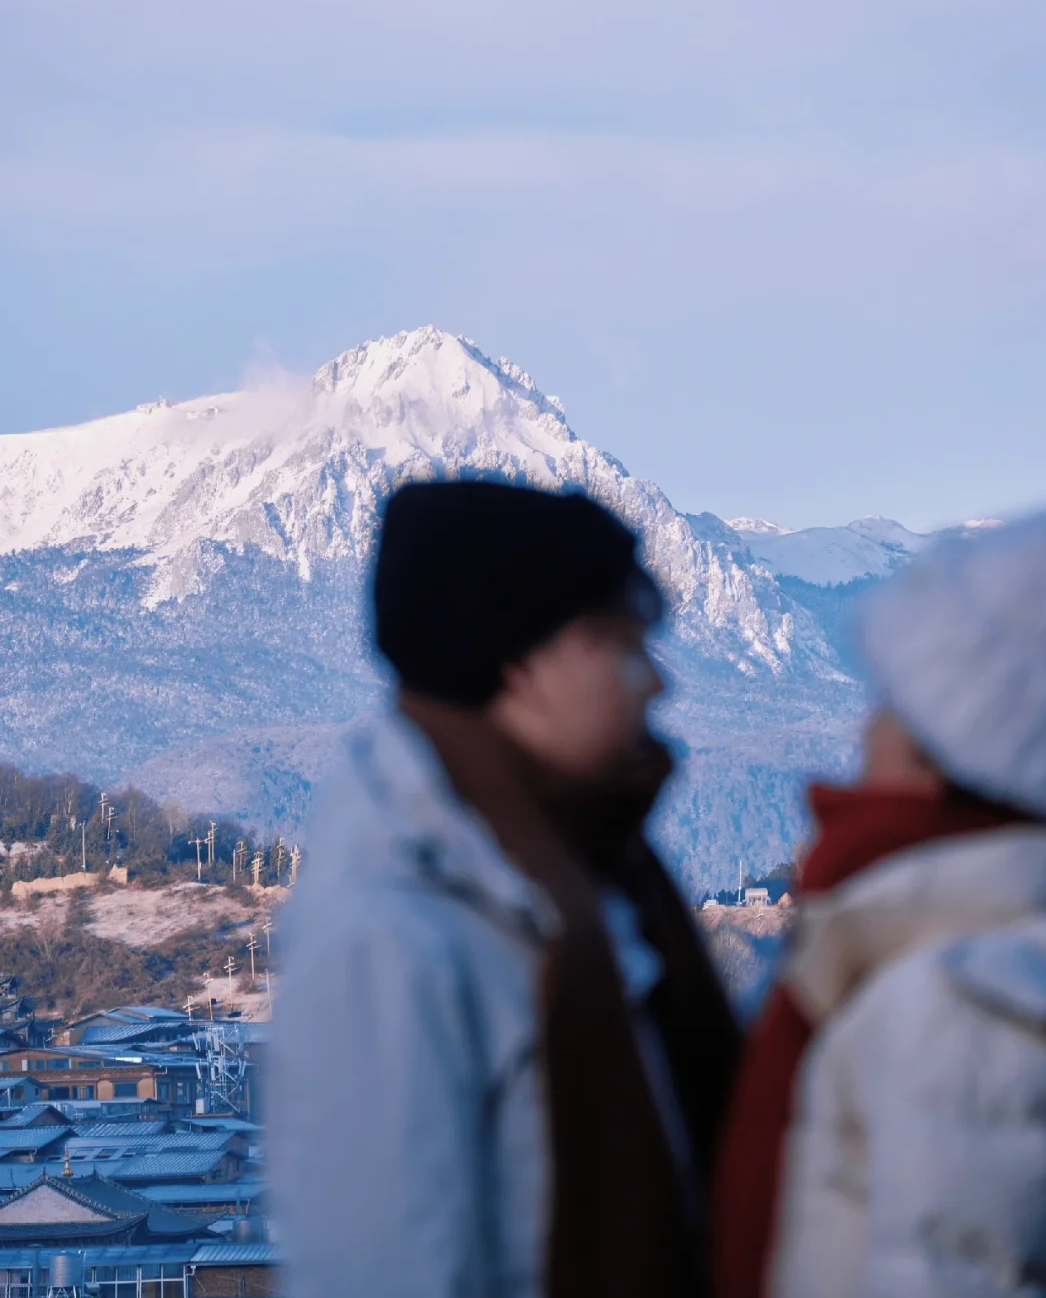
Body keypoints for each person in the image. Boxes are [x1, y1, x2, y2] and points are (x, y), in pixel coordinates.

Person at [270, 479, 741, 1298]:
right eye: (619, 646)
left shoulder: (579, 879)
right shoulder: (388, 931)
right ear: (519, 667)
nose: (654, 684)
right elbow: (382, 1267)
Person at [715, 504, 1046, 1298]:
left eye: (890, 705)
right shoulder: (998, 952)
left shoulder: (964, 1006)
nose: (862, 736)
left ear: (947, 745)